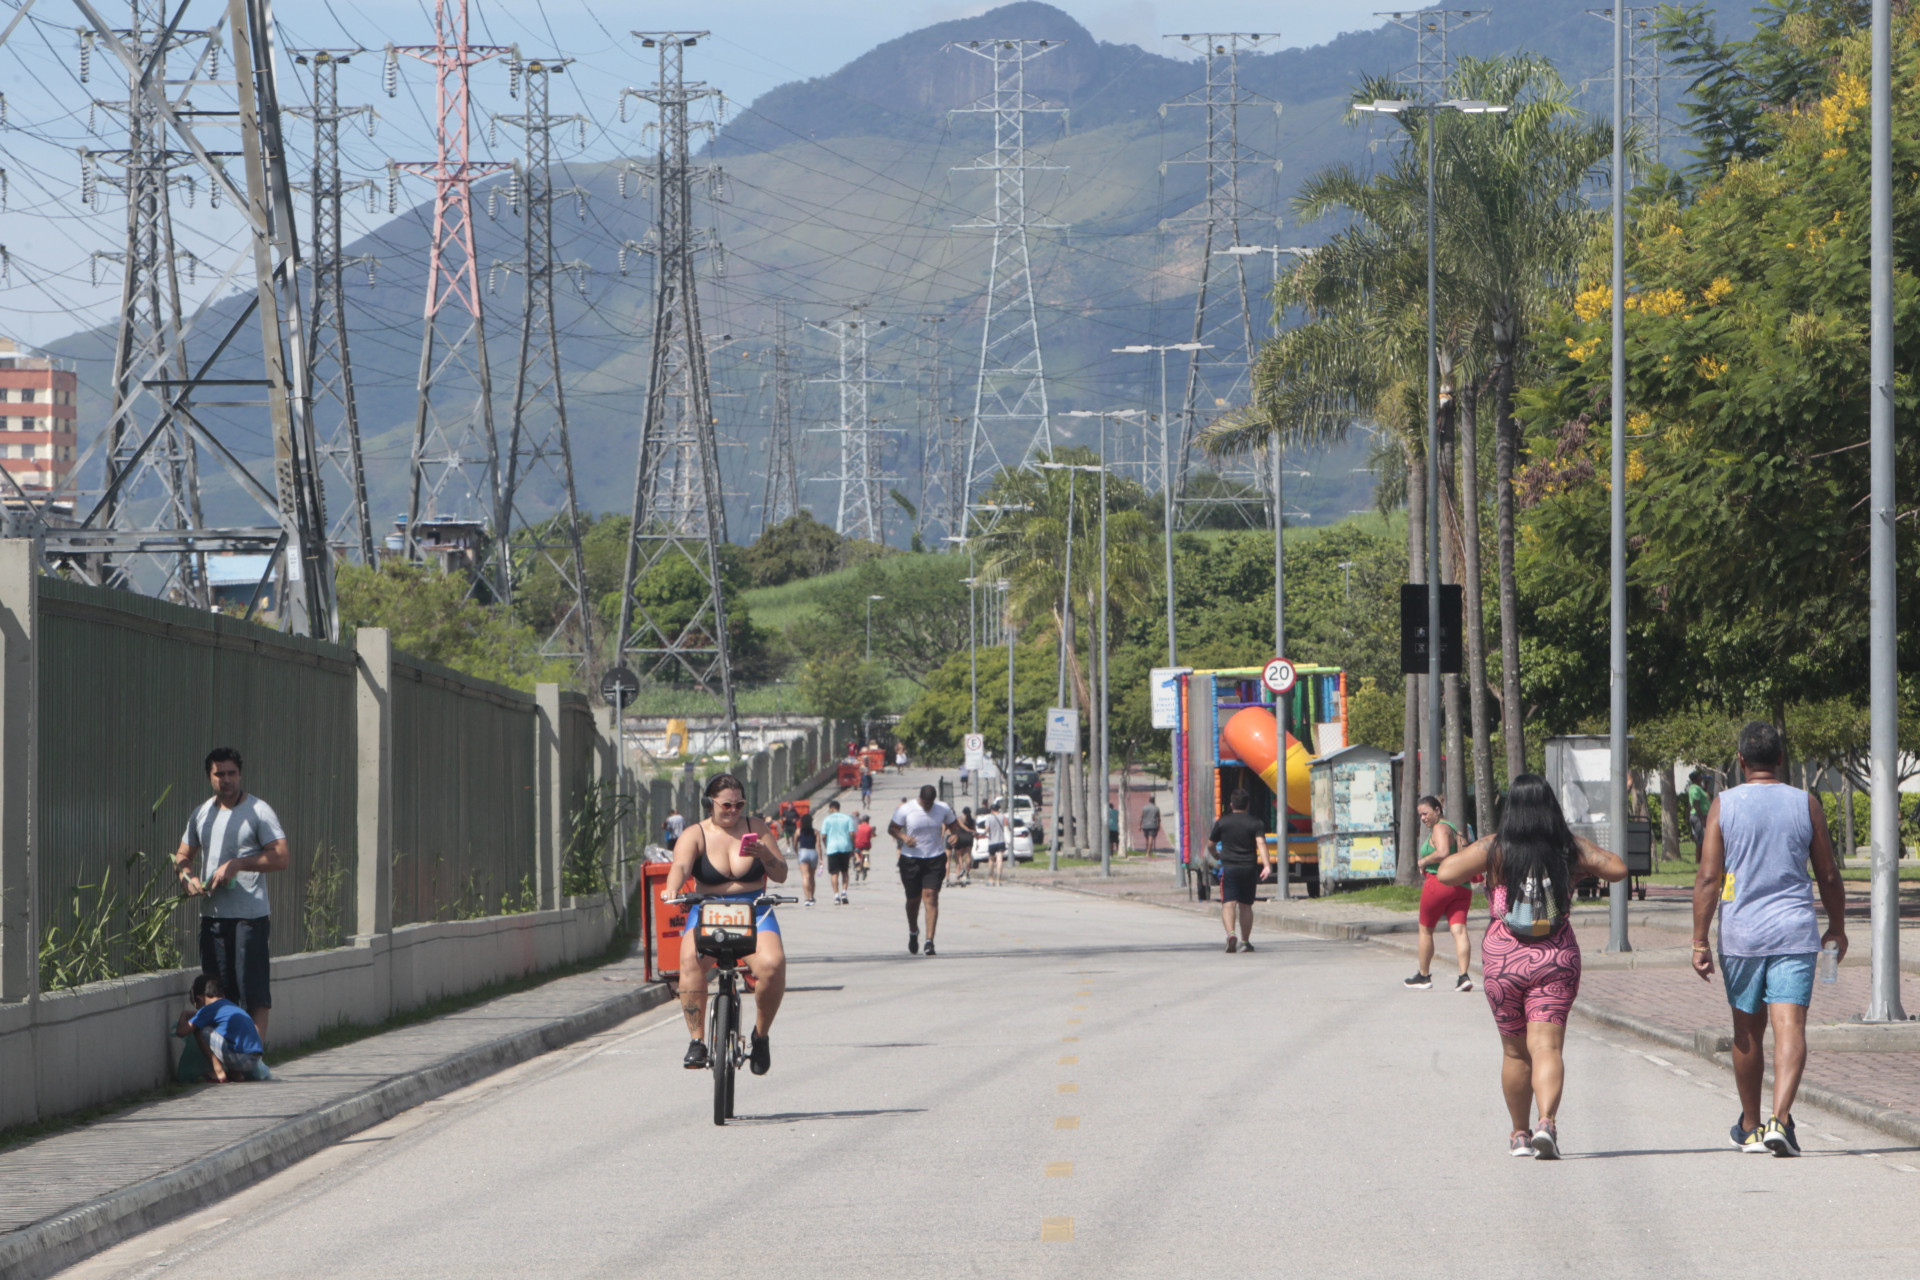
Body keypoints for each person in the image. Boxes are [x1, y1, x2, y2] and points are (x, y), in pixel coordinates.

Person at [1436, 774, 1627, 1159]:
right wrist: (1577, 858)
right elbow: (1617, 868)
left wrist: (1481, 851)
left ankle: (1519, 1135)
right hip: (1555, 956)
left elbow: (1446, 873)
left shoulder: (1495, 848)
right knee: (1547, 1047)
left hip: (1504, 959)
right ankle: (1547, 1122)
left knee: (1514, 1052)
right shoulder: (1568, 848)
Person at [1692, 721, 1848, 1158]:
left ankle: (1750, 1125)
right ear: (1781, 758)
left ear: (1741, 760)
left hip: (1742, 935)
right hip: (1794, 931)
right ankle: (1780, 1120)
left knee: (1747, 1031)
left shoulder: (1724, 805)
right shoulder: (1805, 803)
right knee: (1790, 1026)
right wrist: (1836, 927)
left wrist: (1699, 940)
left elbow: (1708, 877)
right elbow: (1828, 874)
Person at [663, 773, 788, 1075]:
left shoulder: (756, 828)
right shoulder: (695, 834)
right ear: (709, 804)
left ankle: (760, 1036)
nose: (733, 811)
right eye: (726, 805)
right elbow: (680, 865)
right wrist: (671, 888)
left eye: (739, 805)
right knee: (690, 962)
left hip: (753, 909)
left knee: (773, 965)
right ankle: (697, 1040)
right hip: (709, 909)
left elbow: (781, 874)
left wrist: (765, 855)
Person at [173, 748, 288, 1042]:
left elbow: (280, 857)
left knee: (254, 994)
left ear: (240, 774)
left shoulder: (258, 811)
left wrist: (238, 864)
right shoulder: (202, 813)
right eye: (219, 774)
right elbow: (183, 855)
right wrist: (187, 877)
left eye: (231, 773)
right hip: (212, 917)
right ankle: (224, 1056)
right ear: (209, 777)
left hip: (249, 918)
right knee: (215, 995)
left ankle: (252, 1057)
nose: (226, 779)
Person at [1405, 795, 1474, 992]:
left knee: (1426, 929)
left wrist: (1423, 861)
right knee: (1459, 930)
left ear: (1437, 810)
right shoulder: (1454, 828)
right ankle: (1463, 976)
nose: (1423, 818)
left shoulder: (1439, 828)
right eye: (1420, 815)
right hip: (1462, 885)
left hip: (1439, 882)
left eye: (1425, 813)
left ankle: (1423, 975)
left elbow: (1443, 852)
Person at [889, 784, 960, 956]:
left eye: (930, 803)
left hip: (934, 857)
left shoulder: (942, 808)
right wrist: (904, 837)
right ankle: (913, 931)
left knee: (931, 895)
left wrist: (954, 834)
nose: (928, 806)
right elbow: (892, 828)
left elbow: (954, 825)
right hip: (910, 859)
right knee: (913, 900)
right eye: (925, 802)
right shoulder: (906, 809)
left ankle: (929, 941)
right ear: (920, 798)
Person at [1207, 788, 1274, 953]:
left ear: (1231, 804)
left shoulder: (1223, 822)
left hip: (1229, 868)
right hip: (1249, 868)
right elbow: (1261, 843)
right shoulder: (1255, 823)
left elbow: (1210, 844)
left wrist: (1215, 855)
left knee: (1228, 903)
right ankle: (1245, 941)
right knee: (1246, 905)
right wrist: (1267, 865)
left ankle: (1231, 934)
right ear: (1247, 805)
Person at [176, 973, 271, 1083]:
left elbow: (181, 1032)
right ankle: (236, 1074)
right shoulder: (231, 1006)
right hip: (254, 1060)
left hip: (240, 1059)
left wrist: (184, 1015)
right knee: (229, 1036)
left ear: (200, 999)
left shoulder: (208, 1009)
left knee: (200, 1030)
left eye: (198, 1007)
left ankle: (218, 1072)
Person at [819, 800, 857, 904]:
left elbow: (823, 836)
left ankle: (836, 896)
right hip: (845, 847)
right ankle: (844, 892)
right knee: (845, 871)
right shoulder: (847, 818)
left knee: (834, 873)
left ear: (831, 808)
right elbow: (852, 834)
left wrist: (826, 845)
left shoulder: (827, 819)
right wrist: (852, 845)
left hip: (832, 848)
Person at [794, 810, 820, 905]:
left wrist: (797, 852)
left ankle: (807, 898)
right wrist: (821, 858)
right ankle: (812, 897)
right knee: (812, 877)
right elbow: (818, 846)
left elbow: (795, 844)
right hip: (813, 852)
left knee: (805, 876)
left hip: (803, 852)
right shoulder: (815, 832)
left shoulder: (798, 831)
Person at [981, 802, 1010, 886]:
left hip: (992, 842)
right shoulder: (1003, 817)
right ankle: (998, 880)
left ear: (991, 810)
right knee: (999, 860)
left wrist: (983, 833)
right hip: (1001, 841)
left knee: (991, 860)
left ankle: (991, 879)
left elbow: (987, 829)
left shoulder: (989, 818)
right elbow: (1007, 827)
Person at [948, 806, 977, 887]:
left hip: (961, 837)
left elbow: (963, 827)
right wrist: (973, 832)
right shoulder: (972, 820)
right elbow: (974, 829)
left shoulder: (960, 819)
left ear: (963, 813)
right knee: (968, 855)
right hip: (969, 837)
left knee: (958, 855)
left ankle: (962, 867)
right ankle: (968, 872)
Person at [1686, 771, 1710, 854]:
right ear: (1696, 778)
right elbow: (1696, 804)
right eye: (1699, 776)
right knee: (1701, 839)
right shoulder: (1694, 788)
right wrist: (1702, 818)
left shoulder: (1698, 787)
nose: (1701, 777)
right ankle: (1698, 859)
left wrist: (1706, 783)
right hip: (1698, 816)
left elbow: (1703, 791)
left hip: (1700, 816)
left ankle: (1701, 857)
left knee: (1703, 838)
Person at [852, 811, 874, 882]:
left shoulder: (858, 827)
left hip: (858, 845)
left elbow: (855, 835)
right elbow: (871, 836)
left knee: (856, 853)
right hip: (866, 845)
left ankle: (858, 864)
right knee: (866, 855)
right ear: (868, 821)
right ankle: (866, 867)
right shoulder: (869, 828)